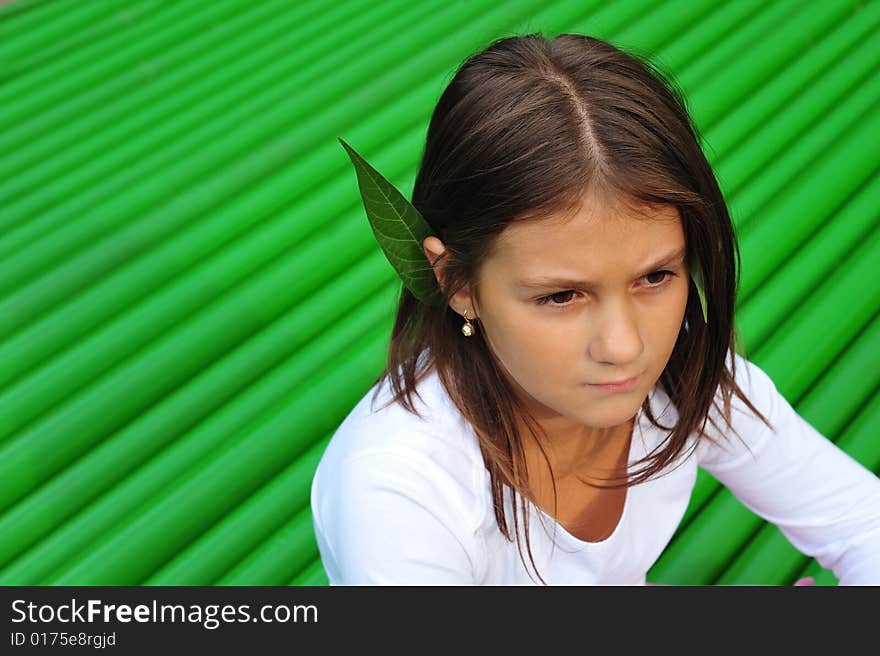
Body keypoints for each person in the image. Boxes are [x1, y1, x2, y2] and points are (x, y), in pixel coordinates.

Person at [310, 33, 880, 585]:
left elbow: (862, 524)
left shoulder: (690, 382)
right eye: (561, 296)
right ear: (458, 283)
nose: (626, 346)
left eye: (656, 276)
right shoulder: (398, 492)